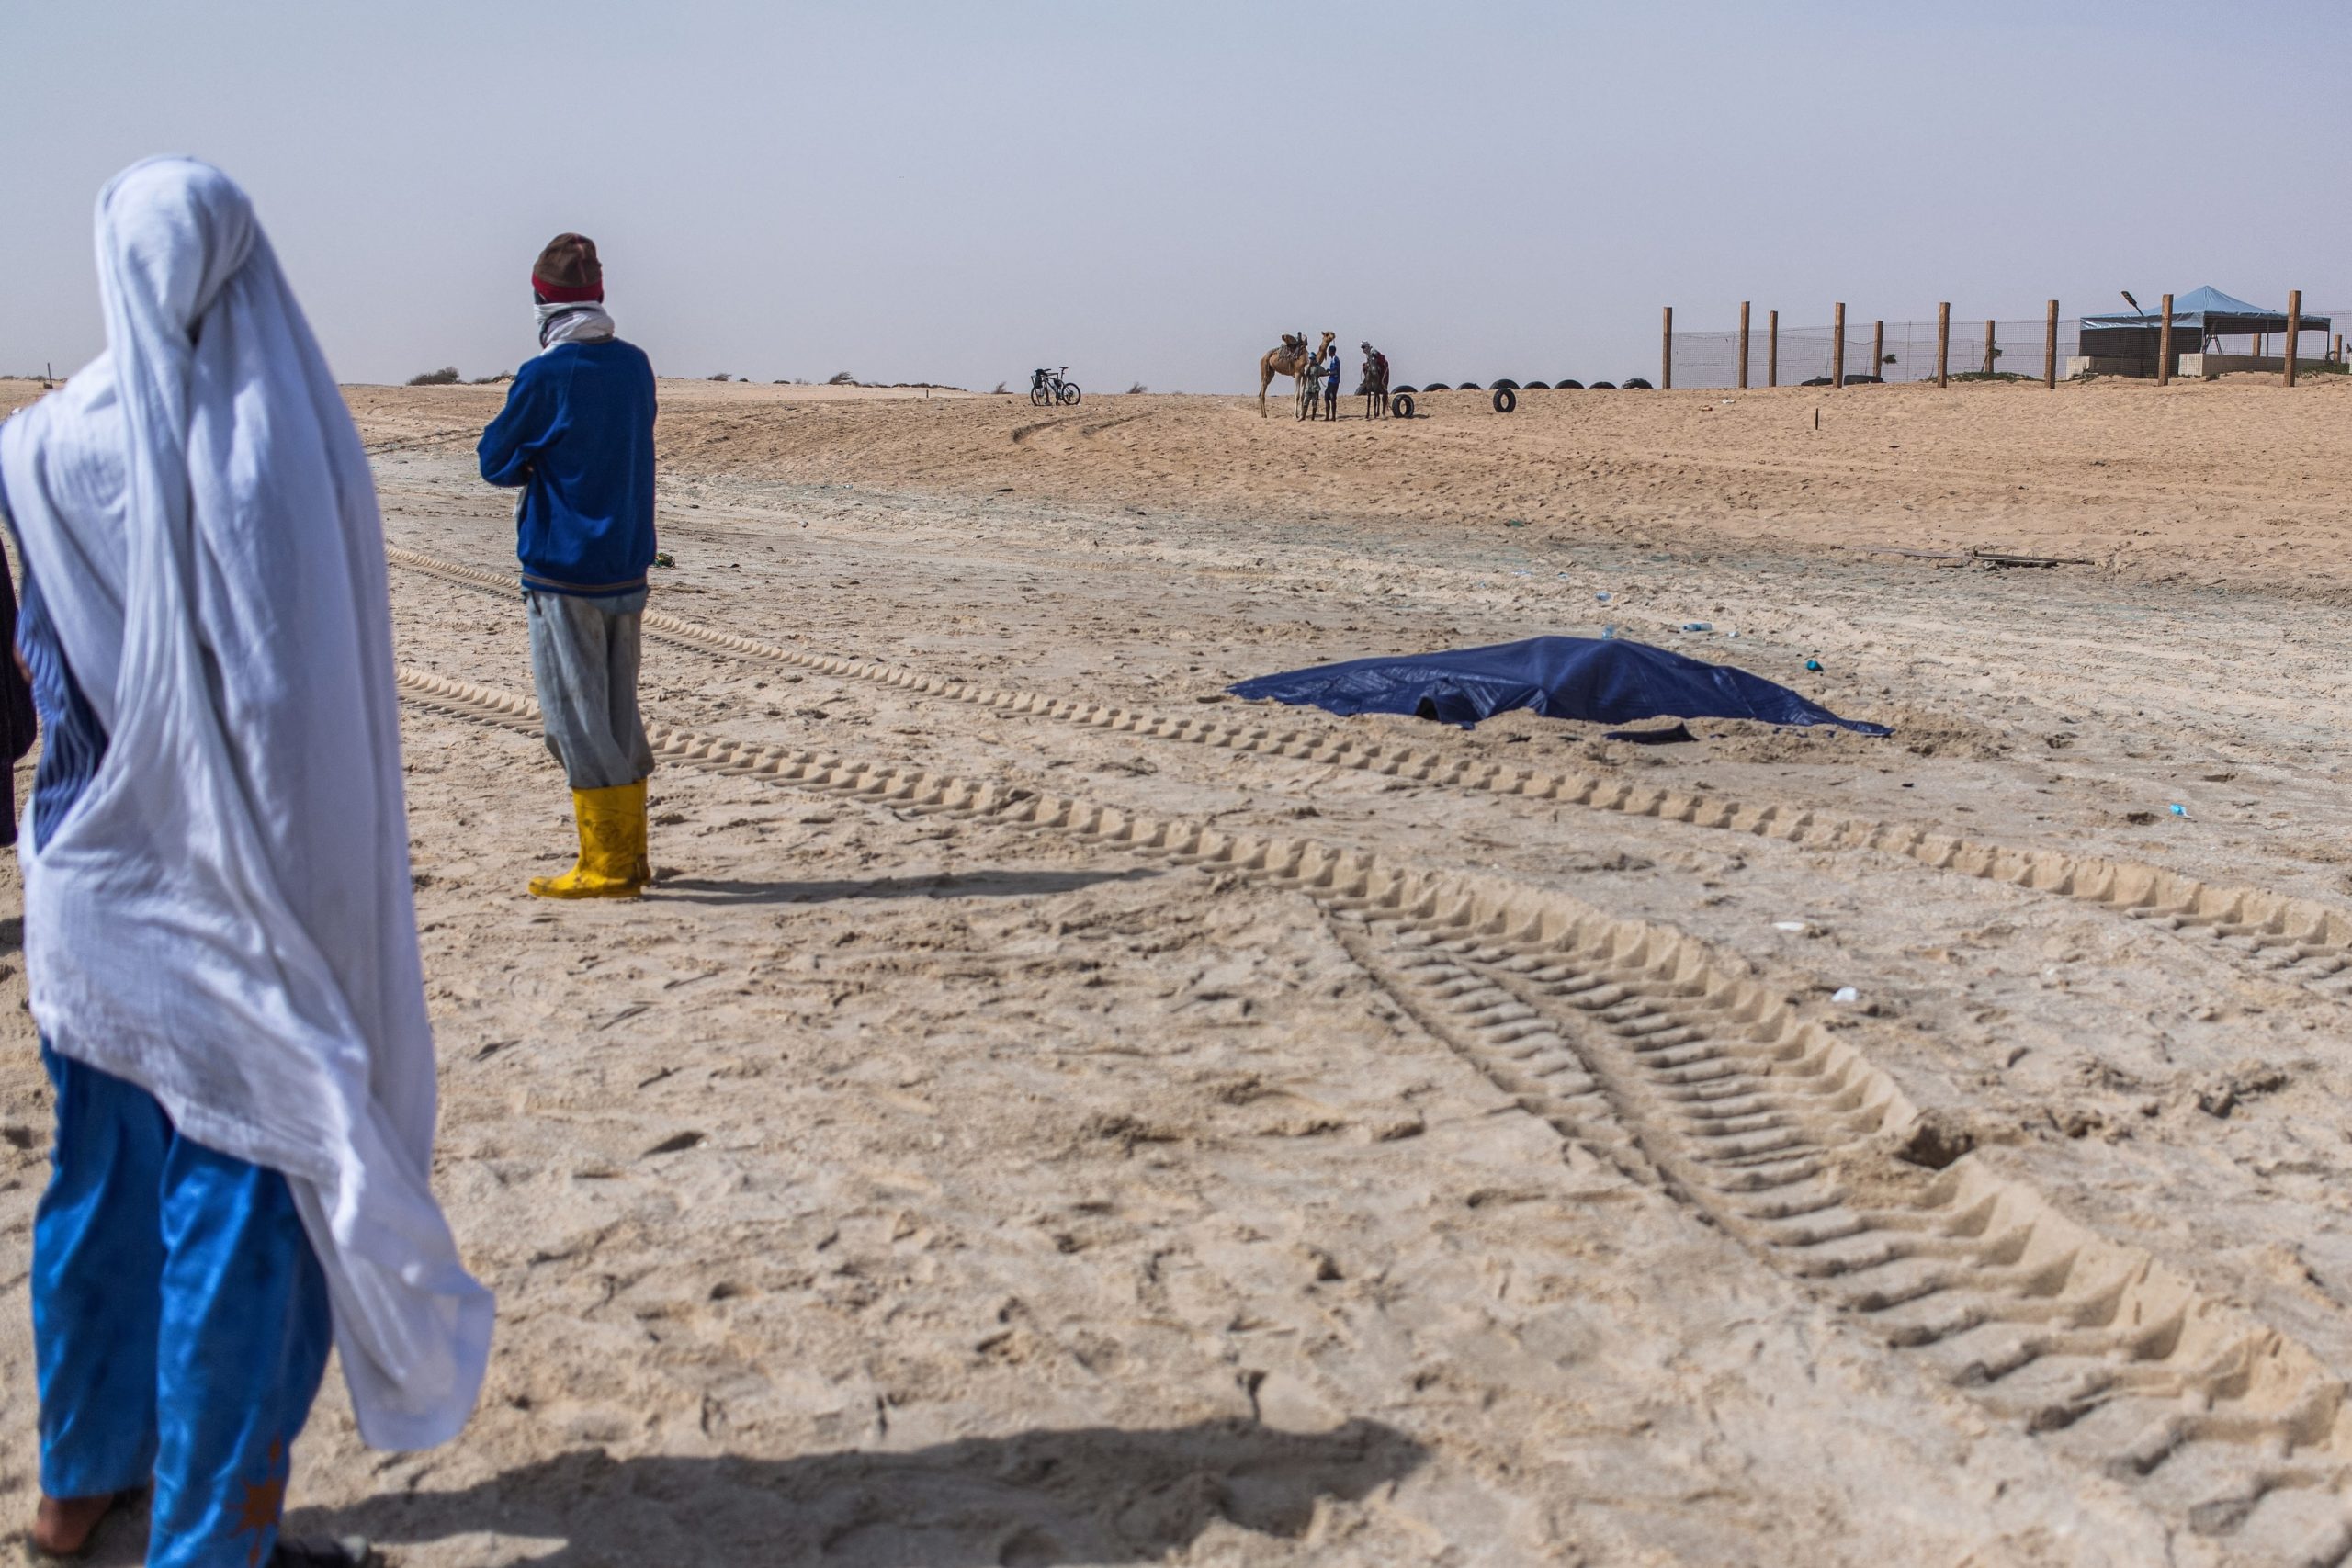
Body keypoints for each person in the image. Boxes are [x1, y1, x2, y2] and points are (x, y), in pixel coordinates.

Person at [0, 157, 491, 1566]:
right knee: (240, 1208)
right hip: (221, 905)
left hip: (84, 885)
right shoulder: (268, 450)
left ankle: (74, 1492)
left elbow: (45, 673)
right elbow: (293, 713)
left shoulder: (37, 448)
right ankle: (212, 1536)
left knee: (96, 1190)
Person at [478, 234, 659, 899]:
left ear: (542, 301)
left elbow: (495, 461)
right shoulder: (635, 366)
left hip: (565, 570)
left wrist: (533, 459)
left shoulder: (544, 375)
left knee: (573, 719)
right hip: (626, 563)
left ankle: (607, 865)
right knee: (617, 712)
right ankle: (630, 856)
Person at [1322, 345, 1342, 421]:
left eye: (1329, 351)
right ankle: (1328, 416)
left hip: (1334, 381)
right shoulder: (1333, 359)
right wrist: (1329, 370)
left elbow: (1335, 371)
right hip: (1331, 381)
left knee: (1332, 398)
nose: (1328, 353)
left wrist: (1329, 373)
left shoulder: (1335, 359)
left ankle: (1332, 417)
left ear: (1332, 351)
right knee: (1327, 397)